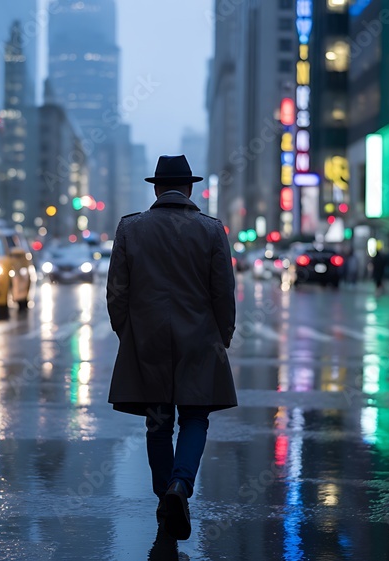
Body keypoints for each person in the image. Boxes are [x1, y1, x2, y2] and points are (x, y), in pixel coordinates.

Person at [107, 155, 237, 542]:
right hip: (200, 338)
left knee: (158, 423)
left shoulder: (131, 228)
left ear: (156, 189)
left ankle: (165, 497)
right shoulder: (211, 231)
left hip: (146, 339)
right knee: (195, 418)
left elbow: (117, 292)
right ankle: (180, 487)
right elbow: (223, 293)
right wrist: (222, 337)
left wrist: (127, 334)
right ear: (191, 189)